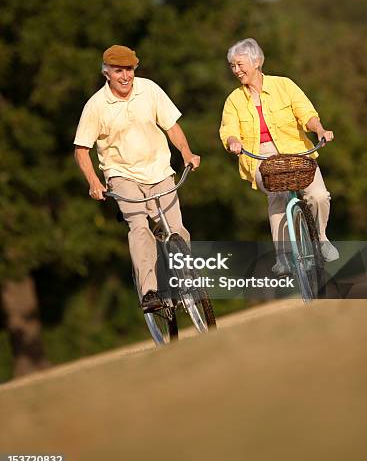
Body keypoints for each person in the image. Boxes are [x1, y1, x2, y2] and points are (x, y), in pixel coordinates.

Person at [74, 45, 200, 310]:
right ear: (106, 72)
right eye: (118, 70)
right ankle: (150, 293)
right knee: (140, 228)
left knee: (176, 229)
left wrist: (187, 153)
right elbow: (81, 150)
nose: (125, 76)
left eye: (129, 69)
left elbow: (171, 126)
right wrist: (94, 182)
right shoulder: (96, 105)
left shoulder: (149, 89)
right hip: (122, 175)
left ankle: (187, 280)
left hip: (159, 169)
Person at [219, 38, 339, 274]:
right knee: (279, 195)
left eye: (240, 64)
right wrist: (233, 141)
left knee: (319, 195)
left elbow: (306, 113)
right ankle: (283, 256)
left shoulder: (284, 85)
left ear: (256, 62)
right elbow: (228, 129)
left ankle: (322, 238)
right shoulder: (234, 99)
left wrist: (320, 130)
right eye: (232, 66)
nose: (236, 70)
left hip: (295, 151)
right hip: (260, 156)